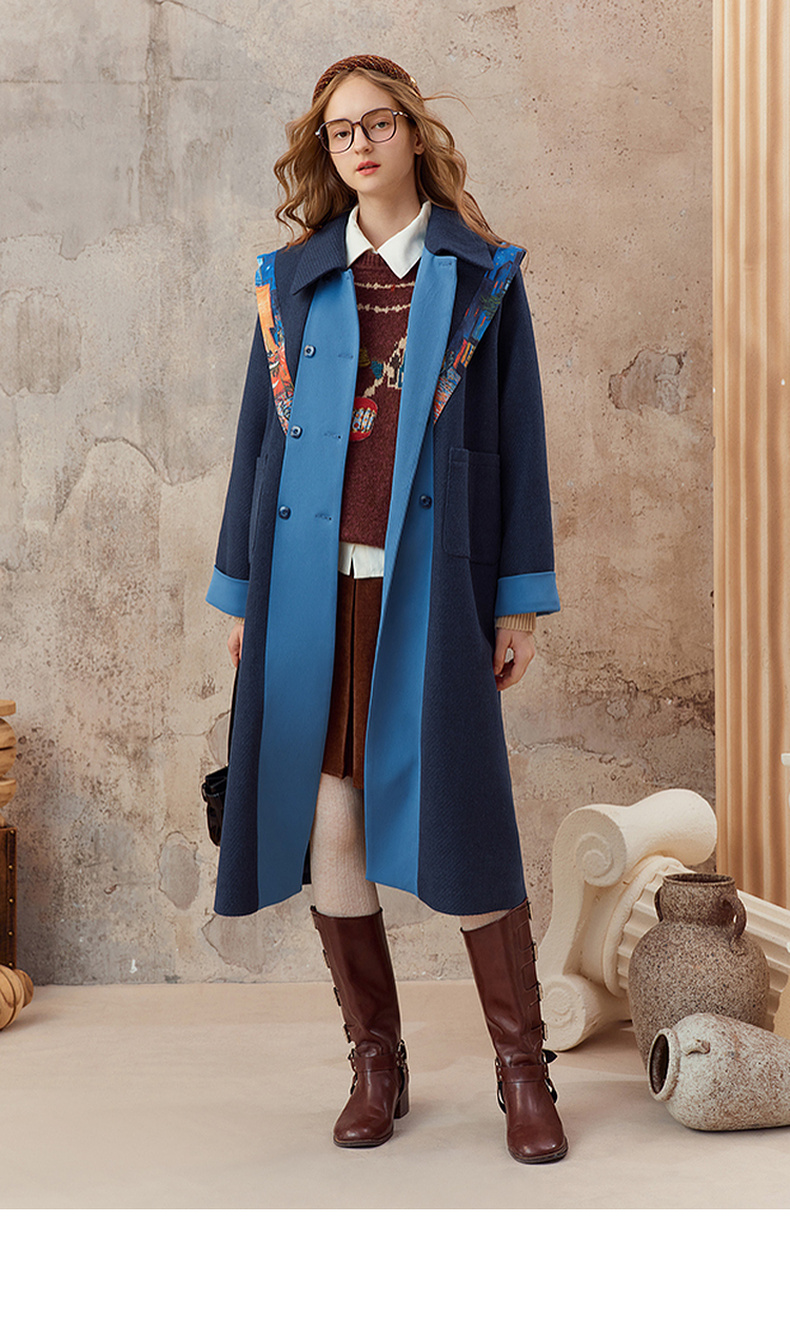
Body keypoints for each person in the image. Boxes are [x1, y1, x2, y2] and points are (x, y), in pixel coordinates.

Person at [206, 54, 567, 1164]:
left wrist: (516, 605)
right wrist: (244, 595)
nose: (358, 145)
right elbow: (256, 447)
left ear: (413, 132)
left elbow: (517, 447)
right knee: (333, 826)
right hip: (310, 590)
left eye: (376, 124)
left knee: (466, 823)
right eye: (338, 131)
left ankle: (522, 1068)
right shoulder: (291, 281)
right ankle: (377, 1061)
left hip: (432, 588)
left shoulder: (484, 278)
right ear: (325, 151)